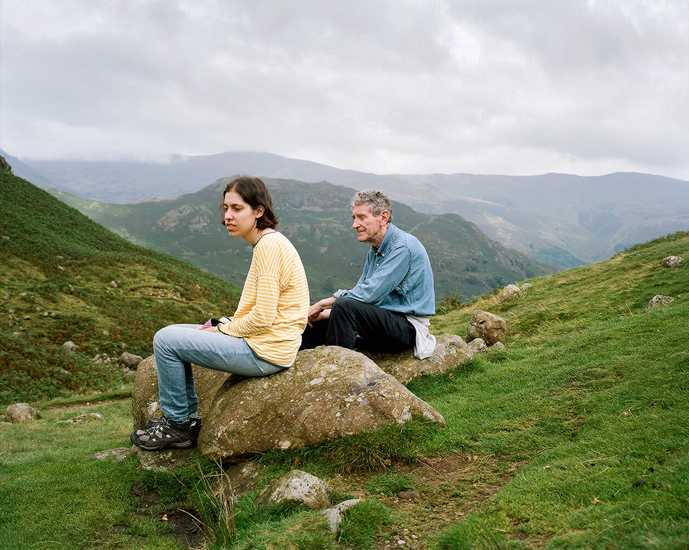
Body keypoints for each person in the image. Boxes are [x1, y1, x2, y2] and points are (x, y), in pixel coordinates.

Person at [131, 176, 310, 451]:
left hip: (265, 351)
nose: (228, 216)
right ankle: (187, 420)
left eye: (237, 209)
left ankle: (178, 424)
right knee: (177, 331)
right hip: (265, 343)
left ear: (259, 211)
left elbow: (262, 318)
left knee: (166, 340)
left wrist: (224, 329)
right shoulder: (268, 243)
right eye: (225, 208)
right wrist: (225, 323)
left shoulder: (269, 247)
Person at [300, 189, 436, 358]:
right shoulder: (375, 251)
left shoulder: (403, 248)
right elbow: (360, 295)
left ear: (383, 217)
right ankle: (289, 369)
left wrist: (322, 304)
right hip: (385, 321)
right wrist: (324, 313)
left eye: (361, 217)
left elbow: (368, 294)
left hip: (408, 328)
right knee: (314, 323)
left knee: (343, 306)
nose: (355, 224)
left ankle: (339, 371)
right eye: (354, 218)